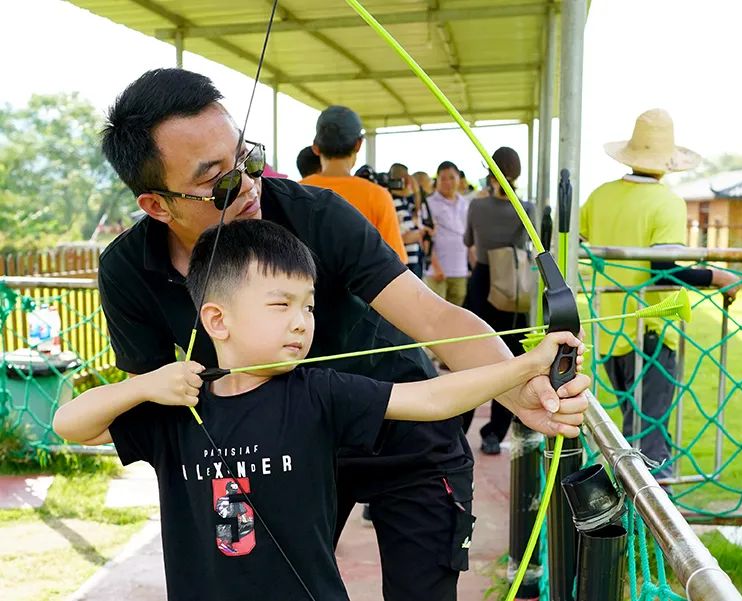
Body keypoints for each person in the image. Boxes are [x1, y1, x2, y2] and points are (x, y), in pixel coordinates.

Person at [95, 68, 590, 601]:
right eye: (218, 180)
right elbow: (151, 399)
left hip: (405, 433)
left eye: (249, 158)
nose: (250, 184)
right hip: (284, 455)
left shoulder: (317, 214)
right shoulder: (129, 271)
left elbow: (432, 317)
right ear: (157, 204)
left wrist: (517, 388)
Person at [54, 219, 586, 601]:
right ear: (217, 320)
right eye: (280, 305)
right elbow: (72, 424)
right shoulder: (180, 411)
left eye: (307, 306)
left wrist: (524, 367)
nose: (302, 322)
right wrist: (146, 385)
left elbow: (430, 398)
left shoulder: (317, 392)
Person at [580, 108, 740, 482]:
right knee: (650, 443)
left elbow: (582, 240)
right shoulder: (667, 202)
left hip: (611, 332)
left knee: (634, 432)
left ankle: (634, 518)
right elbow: (665, 271)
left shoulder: (601, 196)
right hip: (649, 335)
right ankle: (657, 533)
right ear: (667, 160)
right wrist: (719, 276)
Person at [460, 147, 536, 454]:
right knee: (510, 360)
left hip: (481, 283)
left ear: (489, 172)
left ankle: (458, 428)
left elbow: (468, 241)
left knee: (468, 359)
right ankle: (493, 434)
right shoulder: (526, 207)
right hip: (512, 288)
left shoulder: (477, 208)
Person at [299, 105, 407, 263]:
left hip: (306, 287)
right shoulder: (377, 196)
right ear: (358, 144)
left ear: (316, 148)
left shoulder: (294, 192)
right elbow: (396, 264)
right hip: (363, 287)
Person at [424, 161, 469, 306]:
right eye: (443, 178)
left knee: (457, 312)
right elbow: (425, 238)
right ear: (437, 180)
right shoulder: (429, 203)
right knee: (436, 313)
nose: (447, 182)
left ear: (459, 179)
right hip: (436, 272)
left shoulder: (465, 204)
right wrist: (435, 266)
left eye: (451, 177)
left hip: (460, 270)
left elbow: (467, 236)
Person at [388, 162, 429, 278]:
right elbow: (404, 236)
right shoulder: (393, 202)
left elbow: (418, 209)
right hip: (405, 262)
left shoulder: (406, 201)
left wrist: (416, 191)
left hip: (414, 259)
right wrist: (421, 232)